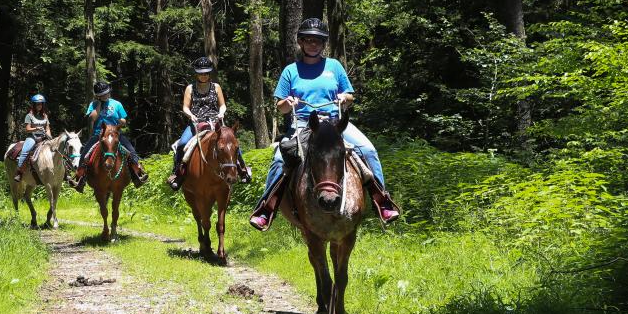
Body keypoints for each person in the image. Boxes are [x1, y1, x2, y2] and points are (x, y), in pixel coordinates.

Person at [248, 18, 400, 231]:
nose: (313, 44)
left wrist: (344, 98)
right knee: (279, 160)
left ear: (323, 43)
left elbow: (350, 96)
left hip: (335, 123)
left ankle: (382, 201)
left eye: (318, 41)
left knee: (369, 150)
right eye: (308, 40)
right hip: (303, 125)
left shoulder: (334, 66)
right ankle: (266, 208)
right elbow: (280, 106)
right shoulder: (291, 71)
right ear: (301, 42)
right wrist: (288, 102)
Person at [166, 56, 252, 190]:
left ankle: (242, 170)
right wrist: (191, 115)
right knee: (182, 143)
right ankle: (177, 173)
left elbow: (222, 105)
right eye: (201, 73)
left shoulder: (216, 87)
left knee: (232, 143)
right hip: (196, 122)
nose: (204, 76)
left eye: (206, 73)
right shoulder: (190, 88)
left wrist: (221, 113)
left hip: (215, 122)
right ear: (197, 73)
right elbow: (185, 107)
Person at [69, 80, 148, 191]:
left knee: (131, 151)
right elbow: (92, 118)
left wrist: (122, 121)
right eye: (103, 94)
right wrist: (99, 104)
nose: (106, 95)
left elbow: (124, 119)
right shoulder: (93, 104)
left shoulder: (117, 104)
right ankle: (79, 179)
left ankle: (138, 174)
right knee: (85, 155)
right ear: (98, 96)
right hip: (99, 135)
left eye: (107, 93)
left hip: (115, 134)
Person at [13, 94, 52, 182]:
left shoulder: (45, 116)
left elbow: (48, 128)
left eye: (41, 104)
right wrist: (36, 128)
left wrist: (50, 136)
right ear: (34, 105)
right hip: (32, 137)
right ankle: (19, 172)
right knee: (25, 151)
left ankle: (65, 173)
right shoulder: (29, 116)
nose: (39, 106)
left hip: (43, 137)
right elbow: (27, 129)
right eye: (37, 104)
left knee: (55, 149)